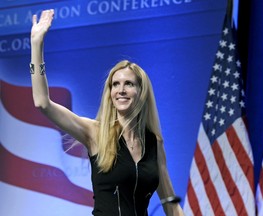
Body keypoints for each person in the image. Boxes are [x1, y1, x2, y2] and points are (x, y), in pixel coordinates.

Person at [30, 9, 184, 216]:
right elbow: (42, 103)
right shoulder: (95, 132)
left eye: (128, 84)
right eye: (115, 84)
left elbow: (171, 204)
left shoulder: (154, 143)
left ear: (141, 92)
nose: (120, 90)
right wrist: (36, 44)